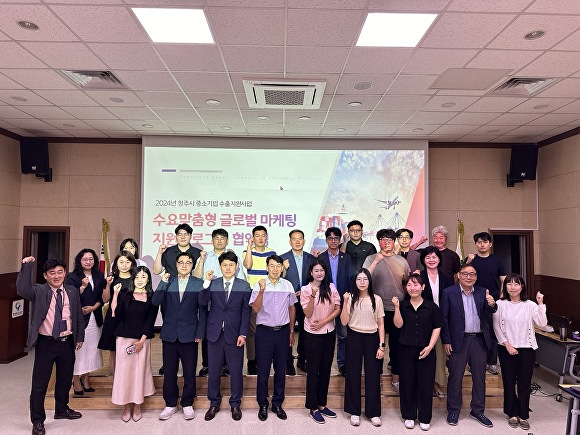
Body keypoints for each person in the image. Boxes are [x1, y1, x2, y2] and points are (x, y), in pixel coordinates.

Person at [17, 257, 84, 435]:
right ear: (45, 275)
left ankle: (61, 409)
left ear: (65, 273)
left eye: (60, 272)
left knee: (65, 380)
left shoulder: (72, 291)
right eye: (52, 273)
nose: (56, 276)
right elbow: (22, 289)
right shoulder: (39, 291)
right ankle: (38, 421)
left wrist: (79, 336)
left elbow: (78, 315)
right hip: (46, 343)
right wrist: (27, 266)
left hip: (67, 342)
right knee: (40, 384)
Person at [441, 263, 497, 428]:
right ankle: (453, 410)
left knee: (479, 377)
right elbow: (444, 318)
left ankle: (478, 410)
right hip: (458, 340)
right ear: (459, 275)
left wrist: (492, 304)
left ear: (476, 277)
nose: (468, 277)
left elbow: (489, 312)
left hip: (479, 339)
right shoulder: (449, 292)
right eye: (465, 274)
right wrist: (446, 340)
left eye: (472, 274)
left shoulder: (482, 292)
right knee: (455, 376)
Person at [152, 252, 206, 421]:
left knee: (189, 372)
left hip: (190, 335)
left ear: (192, 266)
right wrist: (163, 282)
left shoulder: (198, 283)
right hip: (169, 334)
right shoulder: (168, 281)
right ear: (176, 265)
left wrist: (200, 332)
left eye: (188, 262)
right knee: (169, 372)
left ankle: (187, 403)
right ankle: (170, 404)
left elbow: (203, 310)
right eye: (181, 262)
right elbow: (155, 301)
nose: (184, 265)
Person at [199, 251, 252, 422]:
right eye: (224, 265)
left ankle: (235, 404)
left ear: (236, 267)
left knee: (236, 372)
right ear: (220, 267)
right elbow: (202, 302)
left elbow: (246, 312)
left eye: (231, 265)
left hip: (235, 334)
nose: (228, 268)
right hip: (214, 334)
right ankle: (214, 403)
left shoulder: (244, 285)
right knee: (213, 371)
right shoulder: (213, 283)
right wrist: (206, 283)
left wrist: (243, 333)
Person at [493, 274, 546, 431]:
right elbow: (496, 327)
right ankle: (512, 413)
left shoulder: (530, 305)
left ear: (522, 287)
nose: (513, 287)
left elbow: (542, 323)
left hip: (527, 348)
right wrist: (507, 345)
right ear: (505, 287)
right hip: (506, 348)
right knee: (509, 382)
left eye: (516, 284)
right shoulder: (500, 304)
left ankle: (523, 415)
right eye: (509, 284)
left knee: (524, 383)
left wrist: (541, 303)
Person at [250, 255, 297, 422]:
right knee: (263, 370)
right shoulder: (259, 284)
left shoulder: (288, 285)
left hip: (283, 331)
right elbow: (255, 309)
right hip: (264, 332)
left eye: (278, 266)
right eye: (272, 266)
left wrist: (291, 331)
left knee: (280, 369)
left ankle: (277, 403)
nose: (275, 269)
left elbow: (292, 308)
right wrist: (262, 290)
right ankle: (263, 403)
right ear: (267, 267)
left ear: (282, 268)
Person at [363, 228, 410, 393]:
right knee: (376, 345)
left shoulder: (401, 261)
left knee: (397, 345)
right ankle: (376, 378)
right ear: (379, 242)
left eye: (390, 240)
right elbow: (364, 278)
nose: (386, 242)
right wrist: (376, 261)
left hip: (397, 308)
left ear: (394, 242)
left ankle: (396, 378)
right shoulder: (370, 259)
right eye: (383, 239)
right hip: (376, 308)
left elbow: (407, 284)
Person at [393, 273, 442, 431]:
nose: (412, 288)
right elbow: (398, 325)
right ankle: (409, 415)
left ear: (423, 287)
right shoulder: (402, 305)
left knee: (425, 384)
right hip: (405, 349)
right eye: (409, 285)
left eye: (415, 285)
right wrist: (396, 307)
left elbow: (437, 327)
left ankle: (425, 417)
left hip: (426, 350)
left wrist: (430, 346)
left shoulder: (432, 307)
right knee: (407, 382)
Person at [110, 266, 158, 422]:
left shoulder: (152, 297)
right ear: (133, 279)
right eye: (137, 277)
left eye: (143, 277)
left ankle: (137, 405)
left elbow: (150, 320)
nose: (140, 280)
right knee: (124, 373)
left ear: (148, 279)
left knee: (139, 373)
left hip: (142, 340)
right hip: (124, 339)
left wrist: (142, 341)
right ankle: (125, 407)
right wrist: (115, 294)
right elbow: (114, 313)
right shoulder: (125, 294)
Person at [193, 228, 243, 377]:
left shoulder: (233, 257)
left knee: (228, 331)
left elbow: (241, 279)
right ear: (212, 240)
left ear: (227, 240)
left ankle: (226, 365)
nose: (219, 241)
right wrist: (202, 261)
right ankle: (207, 364)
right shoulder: (205, 256)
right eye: (216, 238)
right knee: (209, 331)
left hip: (228, 301)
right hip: (208, 298)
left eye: (222, 238)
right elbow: (196, 277)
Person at [153, 223, 201, 375]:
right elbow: (156, 270)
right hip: (170, 292)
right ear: (176, 236)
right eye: (180, 234)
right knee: (170, 326)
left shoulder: (197, 253)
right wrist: (159, 253)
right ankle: (167, 364)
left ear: (190, 236)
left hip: (189, 292)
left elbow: (198, 276)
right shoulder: (168, 251)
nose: (183, 237)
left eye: (186, 234)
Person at [340, 269, 385, 427]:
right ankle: (354, 411)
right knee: (353, 373)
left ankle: (373, 412)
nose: (362, 282)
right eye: (359, 279)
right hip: (354, 337)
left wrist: (382, 345)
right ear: (355, 281)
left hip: (372, 338)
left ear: (369, 281)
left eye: (365, 279)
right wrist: (345, 302)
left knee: (373, 375)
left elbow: (381, 324)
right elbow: (344, 322)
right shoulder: (350, 298)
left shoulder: (377, 299)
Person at [300, 259, 340, 424]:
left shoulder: (331, 287)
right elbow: (308, 314)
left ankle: (322, 404)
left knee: (325, 369)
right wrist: (312, 295)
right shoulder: (305, 289)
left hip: (329, 332)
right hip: (312, 334)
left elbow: (337, 308)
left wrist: (324, 322)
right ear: (311, 273)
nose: (319, 273)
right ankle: (312, 407)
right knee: (313, 370)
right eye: (316, 270)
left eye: (321, 270)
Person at [465, 232, 507, 375]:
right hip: (473, 300)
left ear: (490, 244)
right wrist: (468, 261)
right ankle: (472, 362)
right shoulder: (472, 260)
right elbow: (461, 277)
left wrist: (500, 297)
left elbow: (504, 280)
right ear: (475, 244)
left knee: (492, 332)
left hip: (492, 301)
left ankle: (491, 362)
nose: (482, 245)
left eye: (485, 242)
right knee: (473, 332)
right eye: (479, 242)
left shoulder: (497, 260)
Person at [65, 249, 105, 396]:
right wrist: (81, 287)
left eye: (91, 259)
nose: (88, 262)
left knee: (91, 350)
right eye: (85, 259)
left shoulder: (99, 275)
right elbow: (69, 298)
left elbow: (102, 298)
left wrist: (93, 307)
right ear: (79, 261)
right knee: (80, 350)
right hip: (79, 319)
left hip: (95, 317)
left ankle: (86, 378)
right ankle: (76, 379)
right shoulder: (72, 277)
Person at [318, 226, 355, 376]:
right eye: (330, 238)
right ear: (326, 240)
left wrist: (349, 296)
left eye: (336, 238)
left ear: (340, 240)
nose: (333, 241)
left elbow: (351, 278)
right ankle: (322, 362)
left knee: (343, 334)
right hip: (325, 300)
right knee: (323, 333)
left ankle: (342, 363)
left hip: (343, 300)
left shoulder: (346, 258)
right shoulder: (320, 258)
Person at [419, 246, 454, 398]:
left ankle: (438, 383)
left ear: (439, 259)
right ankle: (424, 383)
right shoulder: (419, 277)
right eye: (428, 257)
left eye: (434, 257)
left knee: (439, 353)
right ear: (423, 260)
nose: (431, 260)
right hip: (422, 319)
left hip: (441, 320)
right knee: (423, 352)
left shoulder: (446, 277)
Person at [243, 225, 276, 375]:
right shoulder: (247, 252)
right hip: (253, 293)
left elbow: (276, 271)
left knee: (266, 327)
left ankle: (264, 358)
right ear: (253, 237)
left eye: (263, 235)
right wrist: (249, 247)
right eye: (257, 235)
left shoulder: (271, 252)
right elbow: (247, 265)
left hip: (269, 293)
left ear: (266, 237)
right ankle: (252, 360)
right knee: (252, 329)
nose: (260, 238)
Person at [281, 229, 315, 374]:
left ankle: (302, 359)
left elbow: (316, 279)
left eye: (300, 238)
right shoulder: (282, 258)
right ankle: (288, 361)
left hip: (305, 300)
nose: (297, 241)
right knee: (287, 330)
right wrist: (283, 269)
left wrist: (306, 291)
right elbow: (277, 279)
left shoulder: (311, 258)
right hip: (288, 300)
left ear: (304, 241)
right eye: (294, 239)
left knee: (305, 330)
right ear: (290, 242)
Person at [98, 251, 136, 375]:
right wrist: (107, 285)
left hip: (130, 319)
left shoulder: (136, 279)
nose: (124, 265)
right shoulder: (111, 279)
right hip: (114, 318)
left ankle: (128, 378)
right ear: (116, 264)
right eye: (121, 262)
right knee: (113, 350)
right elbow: (105, 300)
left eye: (127, 262)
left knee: (130, 349)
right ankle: (116, 379)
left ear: (132, 263)